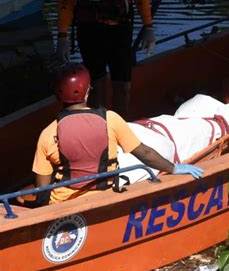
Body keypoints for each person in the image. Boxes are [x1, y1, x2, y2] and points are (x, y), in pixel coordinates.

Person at [32, 63, 203, 206]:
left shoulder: (47, 134)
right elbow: (145, 153)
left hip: (63, 203)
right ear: (87, 91)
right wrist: (173, 168)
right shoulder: (110, 119)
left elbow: (42, 187)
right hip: (105, 195)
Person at [56, 0, 156, 119]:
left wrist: (148, 26)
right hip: (90, 30)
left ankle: (121, 127)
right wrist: (62, 36)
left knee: (123, 87)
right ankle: (99, 127)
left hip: (121, 28)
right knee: (96, 86)